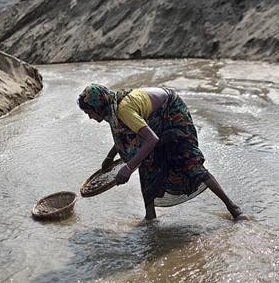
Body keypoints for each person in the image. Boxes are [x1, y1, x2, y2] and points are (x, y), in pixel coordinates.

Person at [77, 83, 247, 221]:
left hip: (171, 111)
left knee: (188, 160)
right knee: (146, 162)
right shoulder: (111, 109)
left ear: (98, 106)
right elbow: (127, 133)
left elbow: (151, 139)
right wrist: (110, 157)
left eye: (89, 112)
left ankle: (233, 207)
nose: (89, 117)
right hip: (153, 117)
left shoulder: (122, 109)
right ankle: (150, 217)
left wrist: (128, 169)